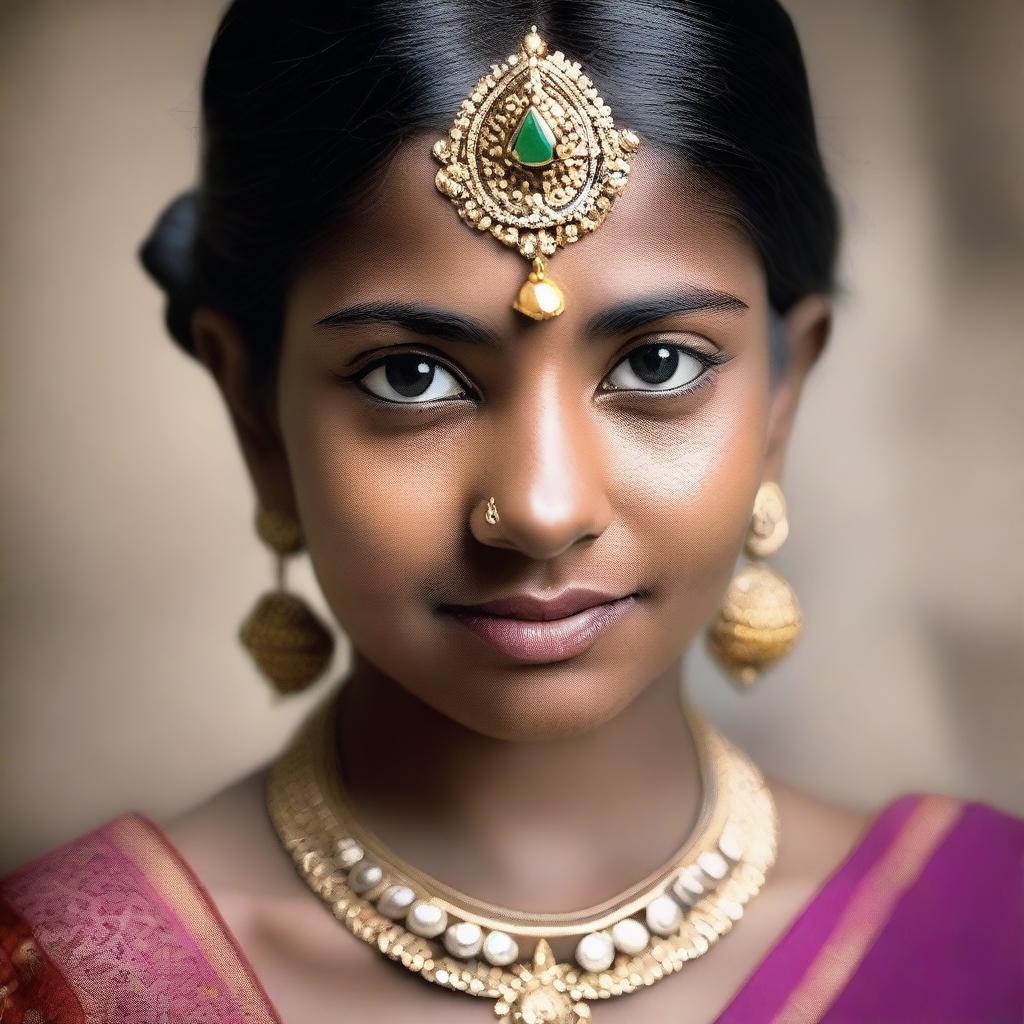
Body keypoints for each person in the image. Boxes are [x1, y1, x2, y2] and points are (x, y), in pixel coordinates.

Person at [1, 2, 1020, 1021]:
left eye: (656, 364)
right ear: (254, 414)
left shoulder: (988, 938)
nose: (539, 508)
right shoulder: (64, 981)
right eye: (410, 377)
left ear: (779, 402)